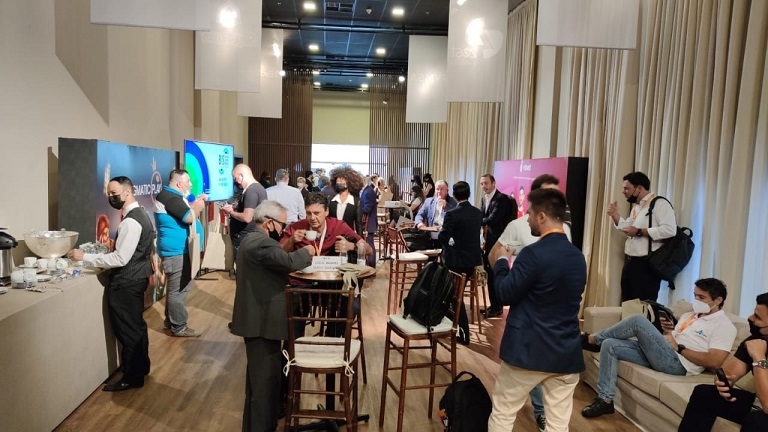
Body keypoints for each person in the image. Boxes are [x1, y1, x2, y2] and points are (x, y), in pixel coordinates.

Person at [486, 188, 587, 432]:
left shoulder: (532, 254)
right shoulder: (578, 257)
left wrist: (502, 261)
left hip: (527, 352)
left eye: (530, 214)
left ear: (542, 216)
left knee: (503, 414)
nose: (528, 219)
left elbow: (504, 293)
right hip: (565, 353)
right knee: (558, 425)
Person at [581, 278, 737, 419]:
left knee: (637, 320)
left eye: (701, 297)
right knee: (610, 344)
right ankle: (605, 400)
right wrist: (668, 332)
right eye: (695, 296)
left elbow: (715, 361)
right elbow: (671, 339)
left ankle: (592, 339)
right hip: (666, 353)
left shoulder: (724, 326)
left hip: (679, 364)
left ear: (718, 300)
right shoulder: (690, 316)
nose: (696, 300)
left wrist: (679, 349)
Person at [230, 200, 315, 432]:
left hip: (258, 320)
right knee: (265, 387)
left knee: (258, 385)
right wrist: (307, 251)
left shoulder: (252, 240)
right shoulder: (262, 243)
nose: (283, 228)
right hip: (261, 322)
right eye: (281, 224)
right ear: (269, 223)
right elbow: (288, 262)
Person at [67, 176, 153, 392]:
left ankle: (132, 378)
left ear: (127, 192)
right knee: (136, 327)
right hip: (137, 278)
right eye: (108, 194)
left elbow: (121, 259)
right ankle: (141, 368)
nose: (111, 197)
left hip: (126, 283)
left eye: (114, 193)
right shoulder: (141, 214)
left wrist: (85, 257)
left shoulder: (131, 221)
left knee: (128, 331)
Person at [678, 292, 768, 432]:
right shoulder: (754, 340)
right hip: (757, 402)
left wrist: (759, 358)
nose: (750, 318)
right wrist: (722, 383)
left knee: (757, 421)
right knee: (703, 394)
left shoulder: (757, 349)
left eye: (758, 317)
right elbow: (727, 374)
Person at [607, 171, 676, 301]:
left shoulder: (660, 204)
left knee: (643, 305)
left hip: (647, 265)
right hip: (631, 262)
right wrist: (615, 216)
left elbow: (670, 230)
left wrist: (639, 231)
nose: (623, 192)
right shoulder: (637, 207)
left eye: (626, 188)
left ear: (639, 188)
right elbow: (629, 228)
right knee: (628, 303)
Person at [153, 169, 207, 337]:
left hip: (177, 251)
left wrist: (194, 205)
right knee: (178, 291)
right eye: (188, 181)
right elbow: (188, 218)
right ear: (179, 184)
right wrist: (198, 208)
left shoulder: (171, 196)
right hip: (176, 252)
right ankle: (179, 326)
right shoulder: (170, 197)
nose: (191, 184)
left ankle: (170, 322)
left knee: (175, 289)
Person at [437, 181, 481, 346]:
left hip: (455, 261)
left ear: (454, 195)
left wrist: (447, 237)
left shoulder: (452, 214)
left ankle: (463, 332)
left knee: (456, 296)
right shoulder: (477, 213)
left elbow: (443, 238)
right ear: (469, 194)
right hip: (472, 261)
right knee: (456, 294)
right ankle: (450, 324)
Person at [280, 192, 371, 258]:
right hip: (302, 276)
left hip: (331, 275)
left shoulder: (338, 225)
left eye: (317, 213)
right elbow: (278, 254)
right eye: (308, 213)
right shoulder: (296, 227)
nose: (312, 218)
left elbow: (369, 250)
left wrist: (351, 246)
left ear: (326, 211)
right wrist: (291, 241)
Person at [478, 174, 515, 320]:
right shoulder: (484, 198)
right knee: (490, 273)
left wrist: (477, 220)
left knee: (496, 273)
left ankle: (498, 306)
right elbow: (483, 216)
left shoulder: (501, 199)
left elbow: (492, 220)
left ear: (494, 183)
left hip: (500, 241)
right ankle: (494, 305)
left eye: (486, 183)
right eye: (481, 184)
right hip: (489, 240)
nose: (484, 186)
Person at [221, 164, 268, 277]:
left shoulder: (251, 191)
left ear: (241, 176)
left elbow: (247, 217)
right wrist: (235, 209)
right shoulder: (259, 188)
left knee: (244, 275)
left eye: (236, 178)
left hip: (244, 239)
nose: (236, 182)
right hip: (251, 237)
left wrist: (231, 212)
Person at [328, 166, 364, 236]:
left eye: (341, 181)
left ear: (349, 182)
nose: (339, 183)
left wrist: (360, 240)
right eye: (337, 181)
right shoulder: (330, 199)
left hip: (348, 237)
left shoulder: (356, 201)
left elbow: (358, 224)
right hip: (331, 236)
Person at [360, 173, 378, 266]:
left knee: (370, 245)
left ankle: (371, 266)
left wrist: (356, 209)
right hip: (368, 222)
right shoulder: (367, 190)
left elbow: (367, 209)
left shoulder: (368, 192)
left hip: (369, 223)